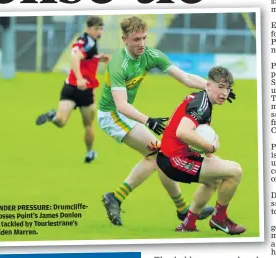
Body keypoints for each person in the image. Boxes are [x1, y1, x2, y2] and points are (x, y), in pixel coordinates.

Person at [97, 16, 236, 226]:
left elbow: (185, 78)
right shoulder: (118, 64)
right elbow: (121, 105)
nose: (142, 43)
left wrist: (213, 88)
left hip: (124, 112)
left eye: (144, 38)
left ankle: (181, 210)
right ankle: (116, 198)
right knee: (156, 155)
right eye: (136, 39)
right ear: (124, 39)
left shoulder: (151, 54)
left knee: (162, 156)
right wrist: (148, 120)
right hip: (112, 114)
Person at [156, 66, 245, 235]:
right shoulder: (202, 104)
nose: (224, 93)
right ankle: (219, 219)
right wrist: (209, 147)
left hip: (171, 156)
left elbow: (195, 133)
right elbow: (182, 132)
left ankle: (189, 223)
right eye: (220, 87)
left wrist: (211, 156)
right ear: (208, 85)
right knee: (235, 171)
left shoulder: (203, 99)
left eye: (227, 88)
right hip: (174, 160)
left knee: (216, 178)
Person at [35, 16, 109, 163]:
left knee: (61, 121)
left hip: (69, 87)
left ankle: (52, 115)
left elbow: (83, 55)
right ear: (88, 28)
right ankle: (89, 153)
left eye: (101, 28)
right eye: (96, 29)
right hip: (84, 89)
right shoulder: (89, 43)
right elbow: (75, 58)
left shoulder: (82, 40)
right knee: (88, 125)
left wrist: (96, 57)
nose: (99, 32)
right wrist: (81, 78)